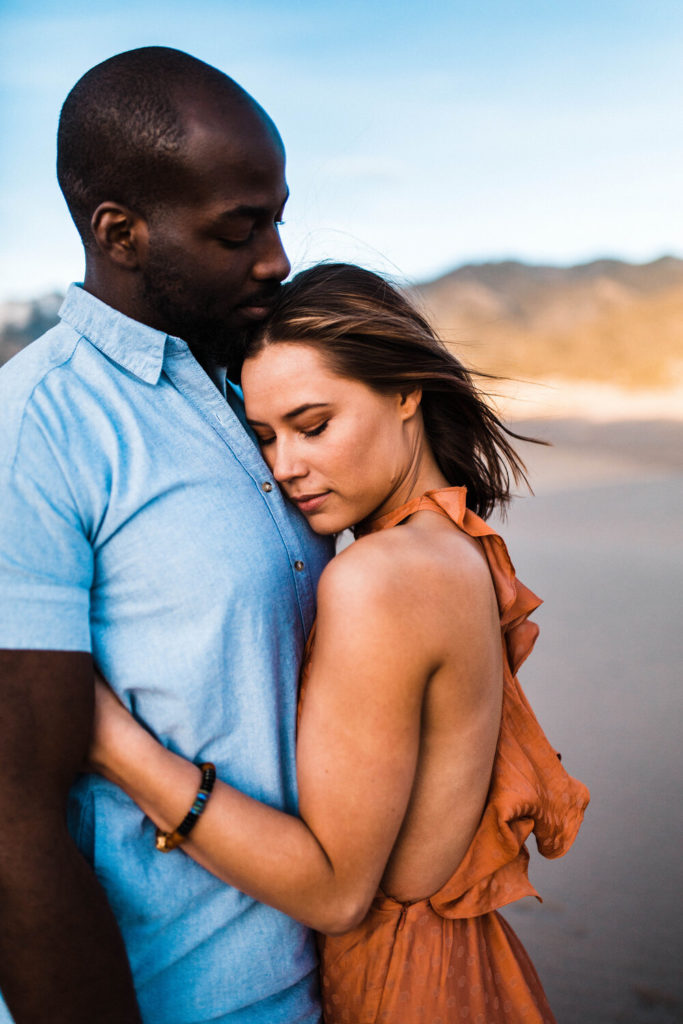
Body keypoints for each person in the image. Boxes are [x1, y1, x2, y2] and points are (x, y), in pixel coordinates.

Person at [88, 262, 590, 1023]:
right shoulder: (451, 542)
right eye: (263, 438)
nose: (286, 466)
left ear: (404, 392)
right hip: (459, 961)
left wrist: (114, 746)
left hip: (405, 984)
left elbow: (333, 891)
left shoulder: (380, 578)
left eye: (313, 425)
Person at [0, 48, 332, 1024]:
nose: (274, 256)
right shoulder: (36, 429)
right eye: (240, 229)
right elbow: (13, 816)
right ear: (121, 232)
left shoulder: (264, 389)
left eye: (276, 216)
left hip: (336, 971)